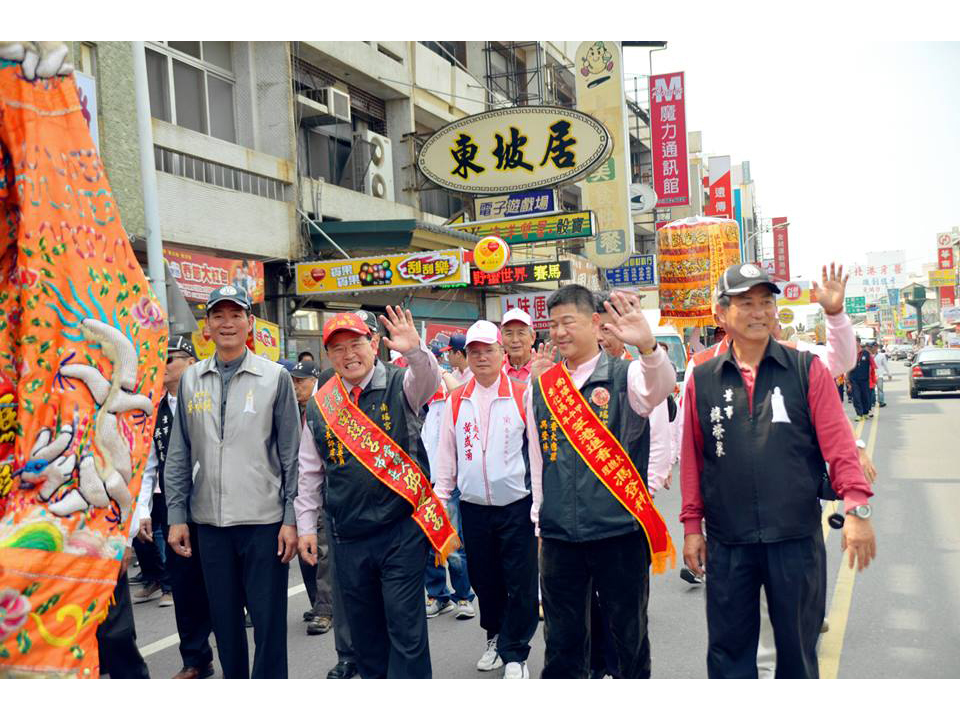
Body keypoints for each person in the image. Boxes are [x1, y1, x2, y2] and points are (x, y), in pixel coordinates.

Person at [679, 263, 876, 679]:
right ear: (721, 314)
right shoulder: (702, 378)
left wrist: (856, 507)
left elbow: (839, 446)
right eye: (746, 303)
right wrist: (692, 526)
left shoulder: (806, 369)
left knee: (797, 655)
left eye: (766, 302)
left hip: (794, 539)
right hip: (728, 542)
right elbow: (694, 458)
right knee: (728, 655)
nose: (759, 312)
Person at [527, 285, 676, 679]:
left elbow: (660, 386)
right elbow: (537, 458)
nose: (559, 332)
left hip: (618, 532)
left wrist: (648, 349)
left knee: (628, 635)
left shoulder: (627, 376)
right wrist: (540, 519)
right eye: (554, 324)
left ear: (595, 323)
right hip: (560, 537)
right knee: (561, 641)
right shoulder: (542, 387)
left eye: (568, 322)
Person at [297, 308, 452, 679]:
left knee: (405, 628)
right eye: (338, 349)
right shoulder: (321, 404)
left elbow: (429, 381)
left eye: (356, 344)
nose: (348, 355)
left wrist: (415, 351)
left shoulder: (403, 383)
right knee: (365, 634)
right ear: (328, 357)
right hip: (348, 536)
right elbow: (309, 471)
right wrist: (305, 526)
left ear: (372, 344)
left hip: (400, 531)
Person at [165, 285, 301, 680]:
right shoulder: (191, 379)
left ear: (249, 323)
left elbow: (291, 455)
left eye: (235, 315)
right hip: (210, 524)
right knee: (224, 625)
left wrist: (291, 518)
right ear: (206, 327)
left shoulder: (274, 378)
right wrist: (177, 515)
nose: (227, 323)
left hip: (264, 522)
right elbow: (178, 453)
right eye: (218, 316)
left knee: (269, 623)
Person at [432, 320, 539, 679]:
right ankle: (494, 637)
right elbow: (447, 454)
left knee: (520, 580)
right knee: (485, 578)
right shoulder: (456, 399)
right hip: (474, 507)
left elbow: (536, 455)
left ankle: (515, 653)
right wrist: (441, 497)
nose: (481, 358)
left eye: (488, 350)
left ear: (501, 352)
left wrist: (540, 504)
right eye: (474, 352)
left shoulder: (523, 394)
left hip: (517, 505)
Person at [135, 335, 215, 679]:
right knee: (184, 586)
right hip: (174, 506)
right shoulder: (154, 408)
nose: (161, 365)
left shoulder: (211, 396)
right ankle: (196, 658)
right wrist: (142, 511)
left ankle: (233, 651)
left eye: (168, 358)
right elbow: (148, 463)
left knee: (221, 582)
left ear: (191, 362)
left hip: (216, 504)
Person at [421, 344, 476, 621]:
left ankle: (464, 596)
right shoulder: (414, 392)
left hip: (447, 478)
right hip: (420, 478)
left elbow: (460, 392)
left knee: (452, 543)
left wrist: (440, 373)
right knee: (427, 542)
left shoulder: (446, 388)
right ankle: (437, 595)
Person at [289, 360, 336, 637]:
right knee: (305, 550)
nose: (296, 387)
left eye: (301, 382)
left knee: (323, 552)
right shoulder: (294, 411)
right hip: (299, 491)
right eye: (293, 382)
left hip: (324, 491)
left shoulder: (324, 408)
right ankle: (316, 602)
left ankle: (326, 609)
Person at [501, 308, 536, 383]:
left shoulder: (545, 367)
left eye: (521, 333)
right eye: (509, 333)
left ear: (533, 337)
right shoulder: (495, 368)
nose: (515, 340)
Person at [848, 338, 874, 420]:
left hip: (864, 379)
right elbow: (847, 367)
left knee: (865, 396)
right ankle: (859, 414)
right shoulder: (850, 354)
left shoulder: (866, 353)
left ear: (859, 343)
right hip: (854, 379)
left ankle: (865, 412)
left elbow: (872, 366)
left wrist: (872, 379)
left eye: (855, 342)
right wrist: (847, 379)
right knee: (856, 397)